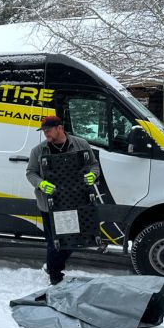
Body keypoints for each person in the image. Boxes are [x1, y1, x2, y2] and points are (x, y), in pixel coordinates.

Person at [26, 115, 100, 285]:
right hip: (50, 204)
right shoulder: (39, 150)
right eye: (44, 131)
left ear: (60, 128)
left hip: (77, 201)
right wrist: (41, 184)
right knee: (55, 243)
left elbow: (94, 165)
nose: (46, 134)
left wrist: (92, 175)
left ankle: (53, 266)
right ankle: (55, 276)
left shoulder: (81, 144)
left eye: (48, 130)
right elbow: (30, 172)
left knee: (74, 240)